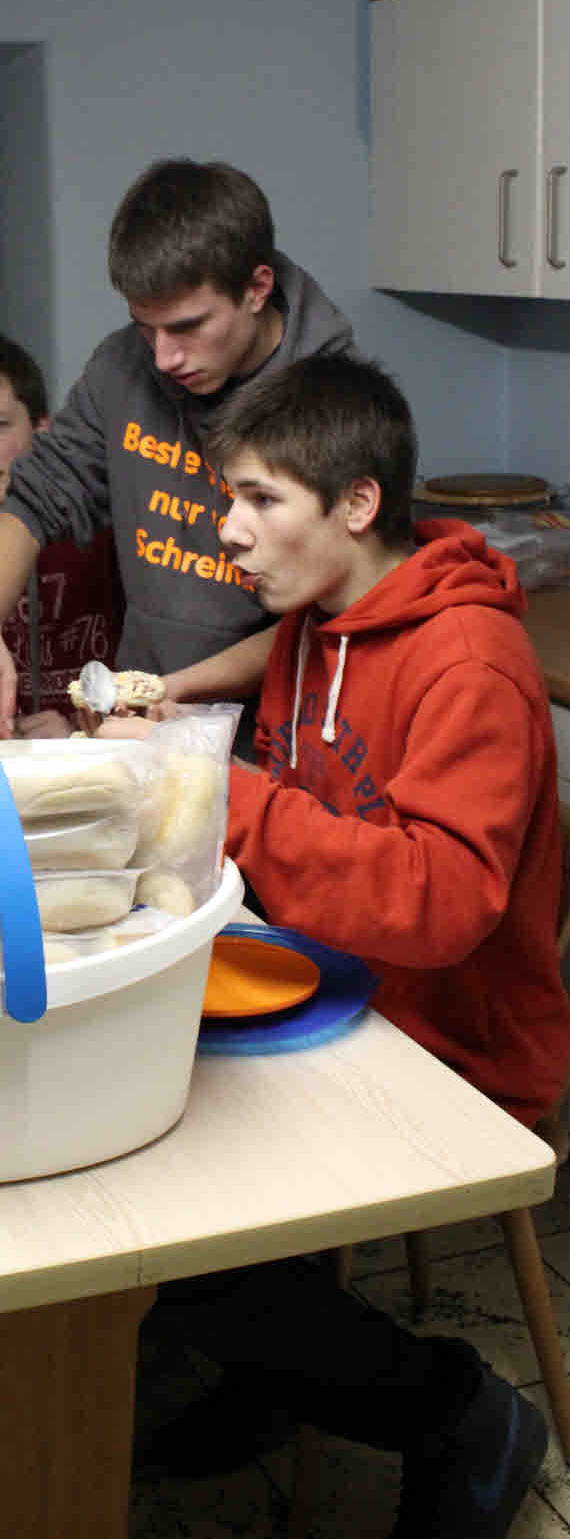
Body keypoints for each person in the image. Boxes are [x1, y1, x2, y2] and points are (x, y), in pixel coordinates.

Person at [103, 352, 568, 1535]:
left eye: (260, 499)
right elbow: (299, 827)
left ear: (357, 504)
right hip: (333, 992)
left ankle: (460, 1410)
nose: (228, 531)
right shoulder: (314, 626)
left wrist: (218, 794)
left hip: (452, 1045)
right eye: (230, 498)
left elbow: (439, 902)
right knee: (124, 1149)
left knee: (181, 1240)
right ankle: (281, 1373)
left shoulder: (471, 662)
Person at [0, 158, 353, 751]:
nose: (164, 357)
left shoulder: (330, 394)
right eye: (146, 327)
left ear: (256, 288)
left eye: (187, 327)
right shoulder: (122, 369)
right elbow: (29, 506)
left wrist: (173, 689)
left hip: (276, 740)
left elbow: (326, 614)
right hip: (143, 724)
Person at [0, 330, 123, 737]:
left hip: (107, 739)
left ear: (42, 428)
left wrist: (79, 727)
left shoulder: (98, 523)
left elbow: (149, 667)